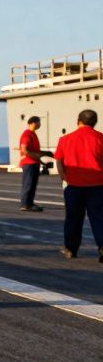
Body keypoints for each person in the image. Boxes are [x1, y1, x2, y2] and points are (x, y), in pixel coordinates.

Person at [54, 109, 103, 262]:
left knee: (73, 218)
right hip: (98, 185)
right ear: (94, 122)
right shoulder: (101, 138)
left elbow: (59, 160)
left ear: (78, 121)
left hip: (73, 185)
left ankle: (70, 249)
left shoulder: (65, 139)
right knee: (99, 218)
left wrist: (64, 177)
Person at [18, 116, 52, 211]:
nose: (40, 124)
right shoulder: (27, 134)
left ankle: (29, 203)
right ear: (33, 123)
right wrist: (36, 158)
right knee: (28, 184)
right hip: (29, 163)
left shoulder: (32, 134)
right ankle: (25, 204)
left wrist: (41, 161)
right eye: (38, 122)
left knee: (32, 184)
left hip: (33, 162)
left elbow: (35, 151)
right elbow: (24, 149)